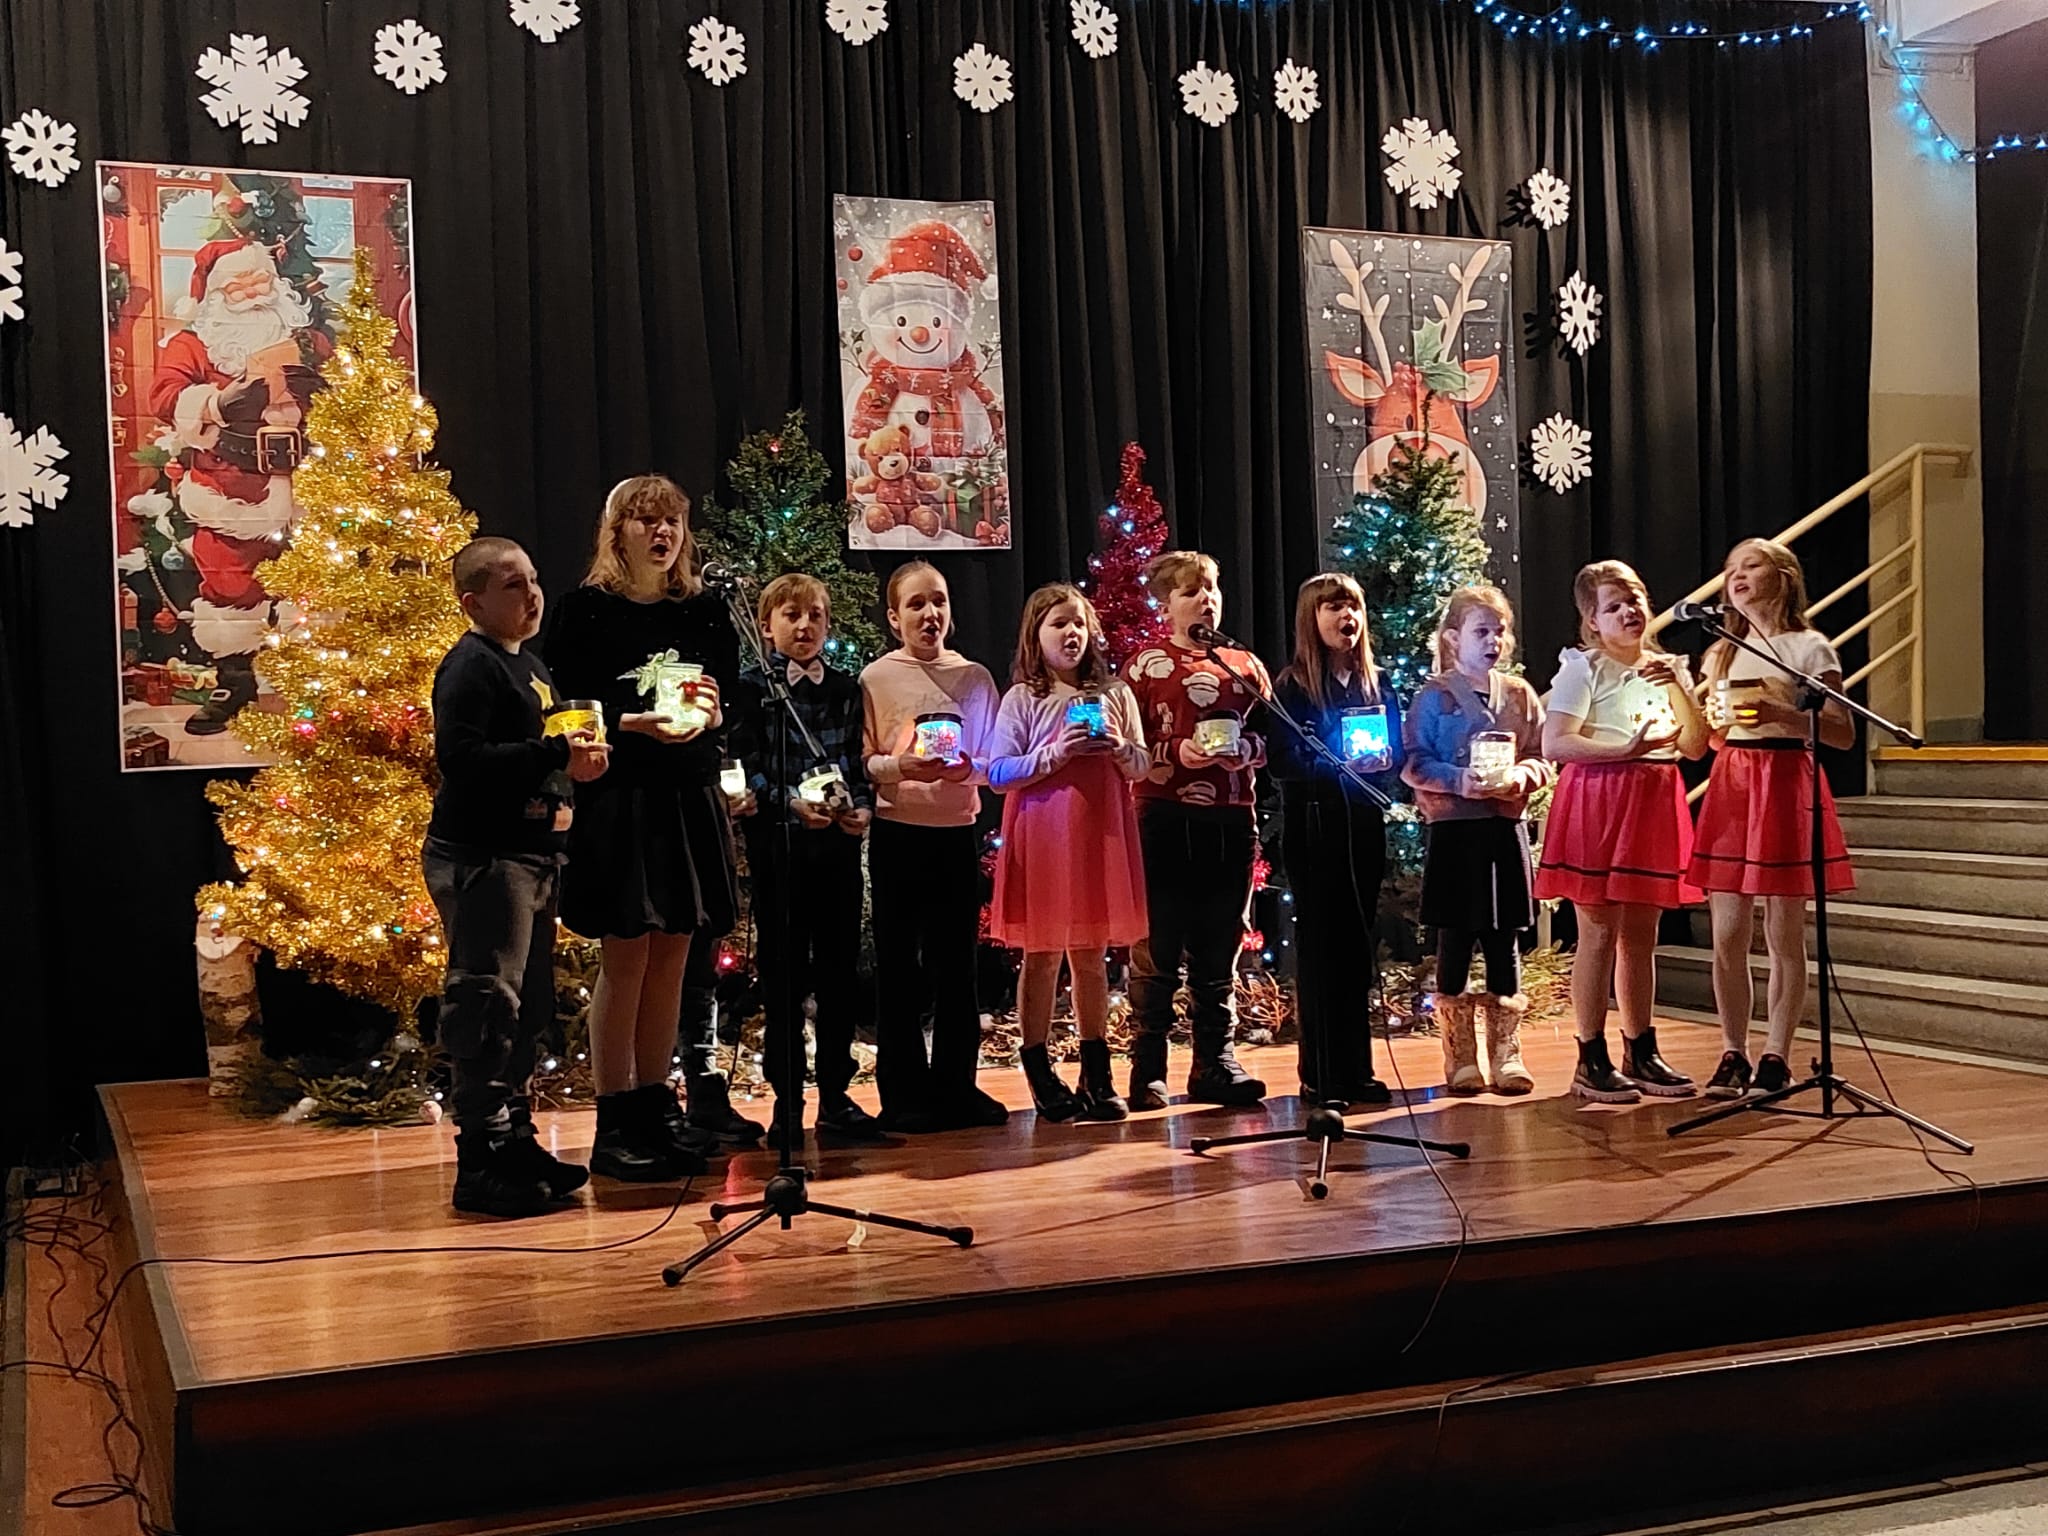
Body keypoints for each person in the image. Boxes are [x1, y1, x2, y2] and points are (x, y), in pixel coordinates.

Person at [544, 476, 737, 1180]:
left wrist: (710, 714)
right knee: (625, 962)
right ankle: (614, 1119)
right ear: (617, 532)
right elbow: (566, 706)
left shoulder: (706, 610)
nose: (662, 533)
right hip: (623, 799)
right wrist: (631, 723)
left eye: (672, 522)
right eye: (646, 520)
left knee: (675, 958)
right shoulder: (585, 611)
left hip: (687, 794)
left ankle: (657, 1108)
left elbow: (727, 697)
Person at [424, 537, 609, 1217]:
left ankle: (517, 1140)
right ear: (472, 602)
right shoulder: (469, 666)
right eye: (512, 586)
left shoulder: (527, 662)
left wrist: (574, 763)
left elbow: (545, 749)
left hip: (532, 857)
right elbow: (462, 757)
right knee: (486, 1003)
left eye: (533, 579)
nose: (532, 594)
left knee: (527, 1007)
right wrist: (552, 753)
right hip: (485, 857)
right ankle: (480, 1159)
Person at [1688, 538, 1856, 1099]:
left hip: (1785, 779)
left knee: (1783, 930)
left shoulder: (1809, 648)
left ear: (1782, 576)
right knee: (1728, 931)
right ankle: (1732, 1051)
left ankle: (1777, 1053)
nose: (1736, 576)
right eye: (1729, 568)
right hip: (1735, 780)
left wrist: (1781, 712)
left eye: (1750, 565)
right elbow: (1712, 739)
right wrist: (1711, 720)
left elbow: (1842, 733)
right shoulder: (1722, 651)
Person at [1536, 561, 1709, 1103]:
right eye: (1613, 606)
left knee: (1641, 934)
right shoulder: (1583, 669)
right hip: (1601, 797)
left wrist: (1679, 687)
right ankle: (1590, 1055)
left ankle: (1641, 1048)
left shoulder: (1667, 668)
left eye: (1634, 600)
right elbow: (1556, 743)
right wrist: (1624, 750)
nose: (1629, 612)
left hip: (1654, 798)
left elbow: (1695, 747)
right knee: (1598, 930)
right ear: (1592, 620)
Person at [726, 573, 883, 1148]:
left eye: (815, 615)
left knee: (839, 975)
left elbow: (855, 763)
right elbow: (744, 766)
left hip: (836, 850)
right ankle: (786, 1102)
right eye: (791, 615)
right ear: (766, 627)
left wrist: (860, 807)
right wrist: (787, 803)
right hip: (781, 850)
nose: (805, 625)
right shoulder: (751, 690)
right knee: (784, 978)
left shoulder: (844, 688)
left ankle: (836, 1097)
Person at [986, 584, 1150, 1122]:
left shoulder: (1115, 694)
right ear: (1036, 635)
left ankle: (1096, 1073)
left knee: (1091, 955)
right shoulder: (1023, 698)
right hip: (1043, 838)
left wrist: (1120, 748)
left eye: (1079, 623)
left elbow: (1142, 764)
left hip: (1098, 835)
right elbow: (998, 771)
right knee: (1042, 956)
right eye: (1059, 623)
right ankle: (1038, 1069)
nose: (1071, 633)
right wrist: (1056, 752)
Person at [859, 561, 1009, 1132]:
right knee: (899, 967)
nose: (930, 614)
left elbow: (993, 762)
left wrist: (966, 769)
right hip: (898, 834)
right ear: (894, 617)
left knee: (957, 967)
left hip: (954, 836)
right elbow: (864, 761)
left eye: (939, 601)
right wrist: (903, 766)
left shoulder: (974, 677)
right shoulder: (876, 678)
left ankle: (956, 1087)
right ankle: (903, 1095)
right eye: (917, 604)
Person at [1121, 551, 1270, 1111]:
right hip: (1162, 817)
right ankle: (1148, 1067)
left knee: (1219, 943)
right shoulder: (1144, 668)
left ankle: (1215, 1062)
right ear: (1165, 607)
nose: (1205, 599)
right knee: (1157, 944)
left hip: (1228, 819)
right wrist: (1174, 752)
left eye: (1211, 589)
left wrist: (1246, 751)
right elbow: (1125, 747)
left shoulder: (1244, 665)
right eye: (1190, 592)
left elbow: (1273, 738)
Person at [1403, 586, 1554, 1095]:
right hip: (1454, 832)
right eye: (1481, 631)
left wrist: (1522, 778)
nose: (1493, 641)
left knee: (1502, 935)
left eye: (1499, 632)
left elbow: (1540, 756)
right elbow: (1413, 761)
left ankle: (1506, 1051)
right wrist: (1458, 781)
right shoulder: (1434, 696)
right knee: (1456, 934)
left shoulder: (1520, 696)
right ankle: (1460, 1053)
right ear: (1453, 638)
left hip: (1502, 829)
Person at [1266, 573, 1404, 1109]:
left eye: (1353, 608)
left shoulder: (1377, 683)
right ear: (1311, 618)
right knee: (1322, 949)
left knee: (1355, 948)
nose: (1347, 617)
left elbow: (1393, 755)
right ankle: (1320, 1074)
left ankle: (1358, 1069)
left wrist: (1381, 762)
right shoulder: (1293, 687)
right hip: (1315, 826)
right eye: (1333, 608)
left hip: (1362, 826)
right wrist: (1334, 765)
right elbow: (1281, 761)